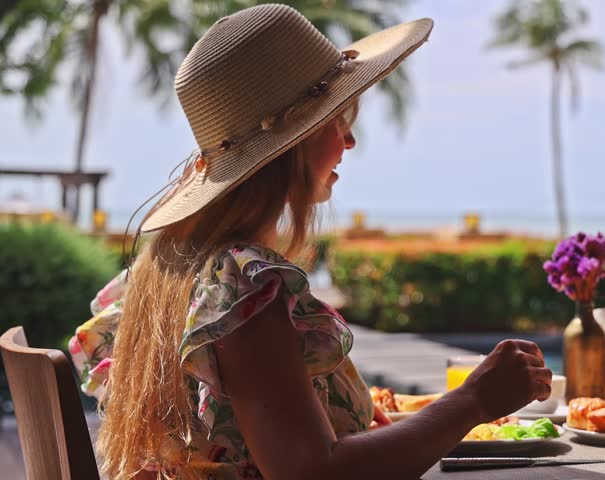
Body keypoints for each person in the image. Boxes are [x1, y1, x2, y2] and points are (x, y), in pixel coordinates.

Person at [69, 5, 552, 479]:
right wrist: (474, 400)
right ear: (294, 142)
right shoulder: (241, 283)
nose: (350, 141)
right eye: (338, 119)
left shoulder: (167, 267)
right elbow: (311, 472)